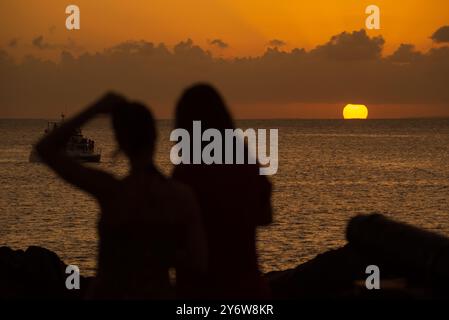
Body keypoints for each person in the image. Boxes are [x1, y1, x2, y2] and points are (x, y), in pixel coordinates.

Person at [36, 93, 207, 299]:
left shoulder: (112, 191)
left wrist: (95, 109)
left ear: (120, 142)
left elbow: (45, 149)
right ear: (154, 136)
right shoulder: (181, 196)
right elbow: (198, 261)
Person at [172, 84, 273, 299]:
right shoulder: (248, 165)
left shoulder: (186, 174)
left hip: (201, 291)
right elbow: (265, 216)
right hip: (248, 289)